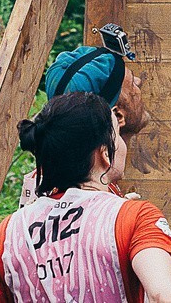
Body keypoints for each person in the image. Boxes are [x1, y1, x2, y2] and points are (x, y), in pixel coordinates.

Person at [0, 92, 171, 303]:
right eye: (118, 134)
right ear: (104, 153)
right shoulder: (135, 218)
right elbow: (165, 297)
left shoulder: (6, 236)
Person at [17, 23, 145, 206]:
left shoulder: (48, 180)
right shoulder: (87, 188)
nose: (139, 82)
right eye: (132, 82)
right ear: (116, 117)